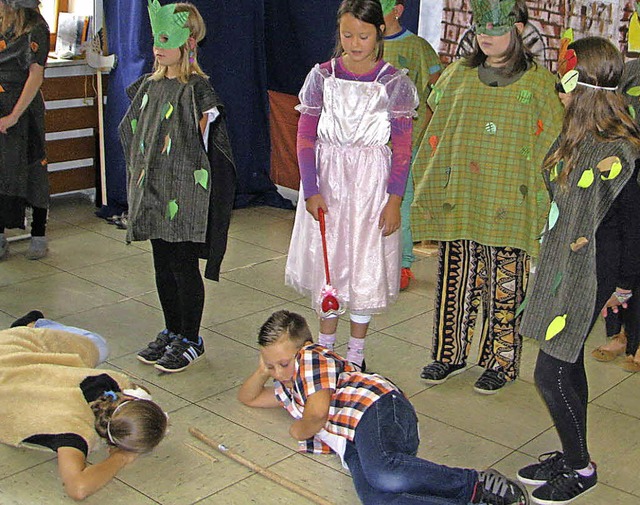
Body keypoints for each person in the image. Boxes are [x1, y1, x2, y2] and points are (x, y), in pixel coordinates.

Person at [410, 0, 563, 393]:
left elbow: (554, 142)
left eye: (495, 30)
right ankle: (449, 354)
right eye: (481, 30)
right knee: (454, 277)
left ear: (516, 30)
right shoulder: (457, 76)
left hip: (511, 198)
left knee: (505, 283)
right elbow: (436, 127)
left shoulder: (540, 84)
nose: (487, 37)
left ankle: (501, 361)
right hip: (461, 194)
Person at [516, 36, 640, 504]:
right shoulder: (580, 135)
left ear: (584, 88)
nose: (559, 92)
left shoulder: (621, 150)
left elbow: (634, 225)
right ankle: (572, 456)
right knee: (563, 364)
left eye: (564, 83)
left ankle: (581, 468)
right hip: (566, 261)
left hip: (592, 269)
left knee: (551, 370)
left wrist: (623, 286)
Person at [238, 310, 529, 505]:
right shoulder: (288, 388)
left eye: (283, 364)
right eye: (271, 366)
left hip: (376, 407)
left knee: (383, 473)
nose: (279, 372)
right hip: (354, 440)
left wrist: (298, 429)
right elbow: (249, 397)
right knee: (376, 497)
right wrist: (263, 370)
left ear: (303, 349)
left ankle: (474, 482)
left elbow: (316, 414)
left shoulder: (311, 357)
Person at [285, 0, 418, 369]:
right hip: (328, 181)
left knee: (363, 262)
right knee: (328, 261)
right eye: (347, 35)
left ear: (379, 34)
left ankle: (356, 353)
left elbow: (402, 149)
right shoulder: (322, 77)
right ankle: (326, 346)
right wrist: (310, 188)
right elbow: (305, 137)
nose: (355, 43)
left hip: (369, 186)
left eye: (363, 35)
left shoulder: (394, 82)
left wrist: (394, 200)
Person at [119, 1, 236, 373]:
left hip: (184, 196)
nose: (157, 46)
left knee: (183, 265)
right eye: (156, 38)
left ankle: (191, 337)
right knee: (161, 263)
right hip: (153, 192)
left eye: (166, 38)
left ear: (188, 43)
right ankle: (171, 329)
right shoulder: (149, 87)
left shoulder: (199, 90)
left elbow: (208, 146)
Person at [0, 310, 168, 500]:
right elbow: (78, 488)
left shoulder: (108, 382)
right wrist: (121, 456)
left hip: (13, 349)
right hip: (13, 368)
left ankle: (32, 326)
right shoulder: (73, 432)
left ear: (130, 399)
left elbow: (140, 389)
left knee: (98, 344)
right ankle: (31, 324)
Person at [381, 0, 441, 291]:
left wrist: (426, 124)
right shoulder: (364, 44)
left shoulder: (417, 47)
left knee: (401, 203)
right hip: (370, 142)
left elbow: (438, 88)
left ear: (397, 9)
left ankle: (402, 264)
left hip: (405, 141)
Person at [589, 46, 640, 373]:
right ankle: (618, 334)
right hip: (628, 167)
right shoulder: (630, 70)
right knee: (623, 249)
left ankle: (637, 339)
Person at [0, 0, 50, 260]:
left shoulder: (36, 27)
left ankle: (39, 233)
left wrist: (13, 116)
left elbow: (36, 75)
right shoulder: (1, 23)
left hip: (23, 108)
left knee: (33, 169)